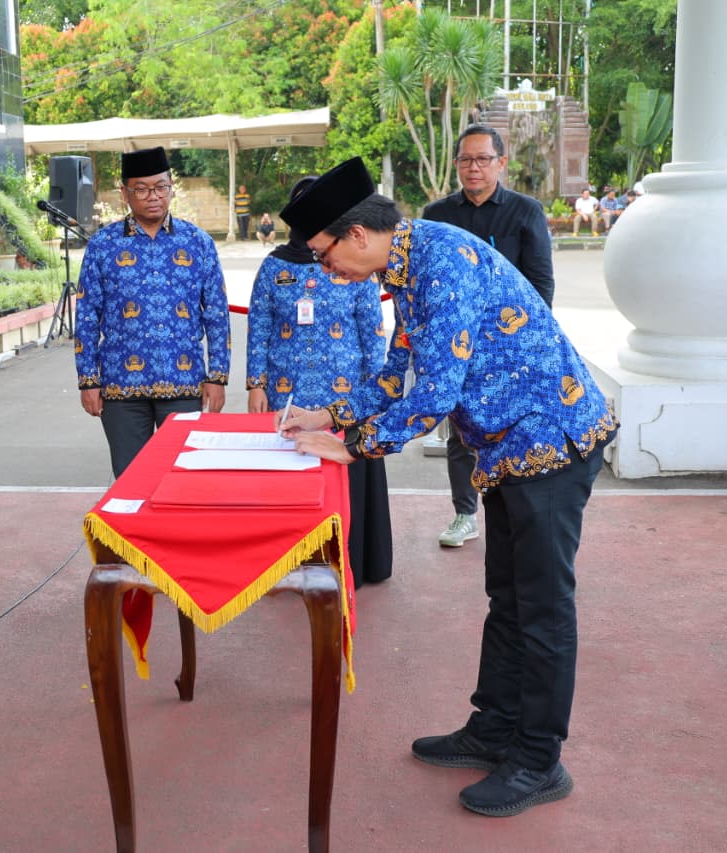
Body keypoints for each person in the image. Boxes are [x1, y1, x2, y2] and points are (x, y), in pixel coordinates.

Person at [277, 157, 618, 818]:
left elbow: (435, 393)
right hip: (507, 446)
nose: (325, 272)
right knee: (508, 596)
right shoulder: (403, 267)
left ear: (355, 236)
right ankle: (494, 727)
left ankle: (539, 758)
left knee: (542, 607)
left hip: (549, 438)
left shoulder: (439, 262)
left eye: (322, 256)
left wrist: (353, 447)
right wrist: (335, 415)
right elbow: (397, 366)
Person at [246, 178, 392, 588]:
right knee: (290, 480)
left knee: (348, 478)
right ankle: (289, 566)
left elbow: (372, 330)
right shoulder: (275, 266)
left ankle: (354, 562)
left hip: (349, 392)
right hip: (288, 390)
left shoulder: (355, 265)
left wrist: (375, 387)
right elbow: (258, 327)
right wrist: (255, 384)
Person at [422, 124, 555, 548]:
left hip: (509, 345)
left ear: (501, 163)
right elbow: (427, 281)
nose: (473, 168)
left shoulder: (525, 211)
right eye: (465, 159)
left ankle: (513, 508)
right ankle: (465, 513)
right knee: (461, 431)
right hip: (458, 344)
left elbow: (540, 284)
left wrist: (526, 343)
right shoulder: (437, 216)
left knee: (512, 427)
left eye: (482, 159)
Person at [75, 146, 230, 476]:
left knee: (185, 478)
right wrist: (87, 380)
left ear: (171, 187)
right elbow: (87, 315)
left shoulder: (198, 242)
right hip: (121, 387)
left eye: (160, 187)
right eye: (142, 189)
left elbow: (216, 313)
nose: (153, 197)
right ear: (125, 193)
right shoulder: (103, 245)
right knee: (131, 479)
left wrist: (218, 377)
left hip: (184, 383)